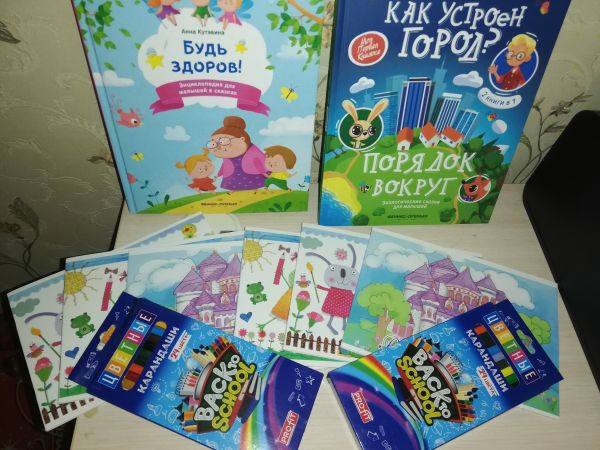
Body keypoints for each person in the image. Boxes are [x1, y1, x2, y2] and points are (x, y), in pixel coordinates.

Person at [208, 116, 266, 191]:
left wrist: (264, 172)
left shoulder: (252, 152)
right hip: (233, 179)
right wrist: (218, 174)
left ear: (242, 139)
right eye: (214, 143)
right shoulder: (228, 155)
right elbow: (224, 166)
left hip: (252, 177)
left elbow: (260, 162)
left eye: (223, 141)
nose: (219, 147)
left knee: (253, 189)